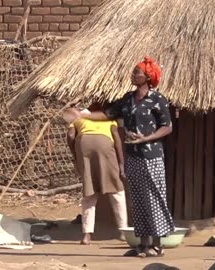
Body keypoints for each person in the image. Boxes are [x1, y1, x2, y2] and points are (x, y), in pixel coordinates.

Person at [64, 56, 174, 257]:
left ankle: (157, 244)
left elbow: (167, 127)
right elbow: (107, 114)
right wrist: (83, 115)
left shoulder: (158, 100)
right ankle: (143, 243)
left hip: (152, 156)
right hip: (132, 155)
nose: (133, 75)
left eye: (137, 72)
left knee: (154, 198)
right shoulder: (128, 99)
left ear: (148, 77)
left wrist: (147, 138)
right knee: (139, 200)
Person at [65, 102, 128, 245]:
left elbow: (70, 135)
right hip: (105, 146)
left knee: (89, 192)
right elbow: (117, 139)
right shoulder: (107, 118)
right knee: (117, 190)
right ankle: (123, 231)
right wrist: (121, 164)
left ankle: (86, 235)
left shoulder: (78, 117)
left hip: (84, 145)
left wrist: (76, 154)